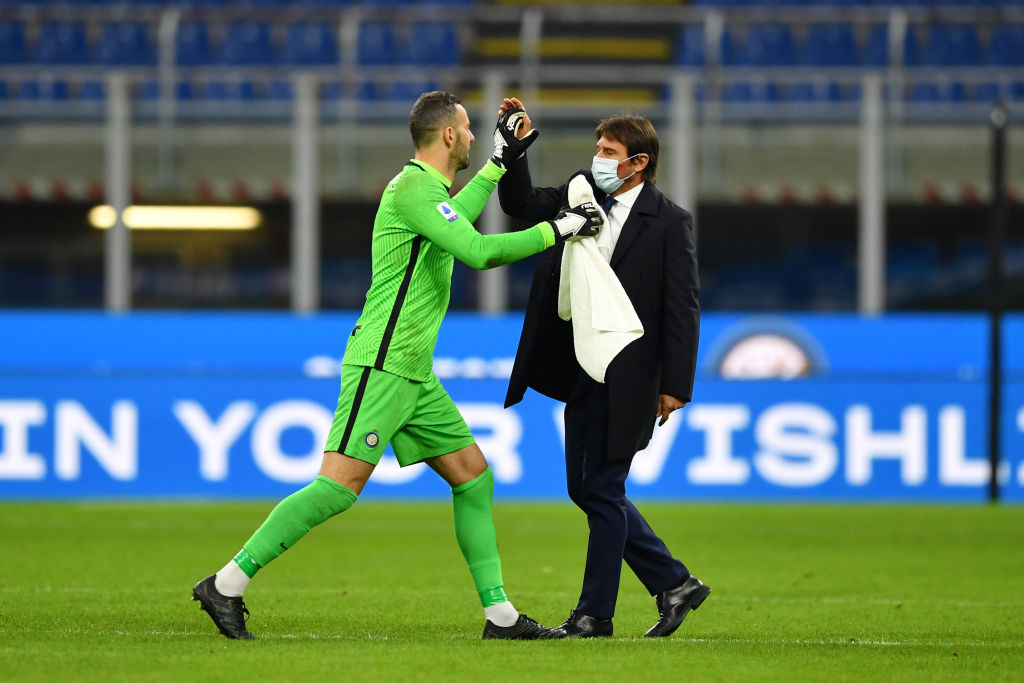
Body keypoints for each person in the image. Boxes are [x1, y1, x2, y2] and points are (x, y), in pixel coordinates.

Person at [191, 91, 604, 641]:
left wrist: (500, 163)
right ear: (449, 135)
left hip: (414, 372)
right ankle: (226, 583)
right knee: (338, 488)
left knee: (474, 478)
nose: (476, 136)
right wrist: (561, 228)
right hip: (383, 363)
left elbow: (459, 215)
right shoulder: (412, 189)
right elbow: (479, 251)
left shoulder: (428, 191)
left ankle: (500, 617)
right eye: (469, 129)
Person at [497, 98, 710, 638]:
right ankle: (674, 584)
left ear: (638, 163)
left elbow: (682, 308)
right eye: (598, 149)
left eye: (609, 152)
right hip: (581, 371)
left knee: (604, 489)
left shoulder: (670, 224)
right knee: (586, 489)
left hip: (634, 377)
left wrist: (675, 386)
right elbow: (519, 203)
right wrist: (515, 151)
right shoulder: (579, 193)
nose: (598, 158)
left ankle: (595, 614)